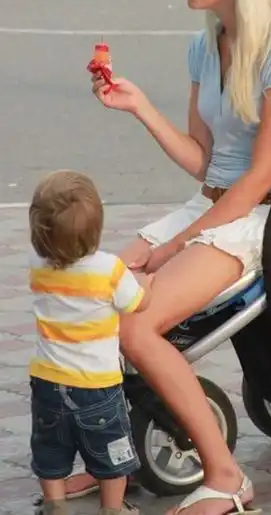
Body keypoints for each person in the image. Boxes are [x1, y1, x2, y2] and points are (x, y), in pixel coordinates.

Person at [61, 0, 271, 515]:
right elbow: (207, 164)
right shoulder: (206, 45)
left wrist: (171, 249)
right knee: (90, 298)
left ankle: (227, 476)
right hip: (211, 205)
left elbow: (260, 177)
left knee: (137, 325)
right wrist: (140, 108)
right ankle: (111, 459)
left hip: (264, 217)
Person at [28, 170, 153, 515]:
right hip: (97, 387)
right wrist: (146, 283)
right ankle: (112, 508)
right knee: (112, 453)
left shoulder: (36, 265)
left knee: (50, 452)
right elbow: (138, 303)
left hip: (48, 383)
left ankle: (55, 505)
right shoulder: (109, 270)